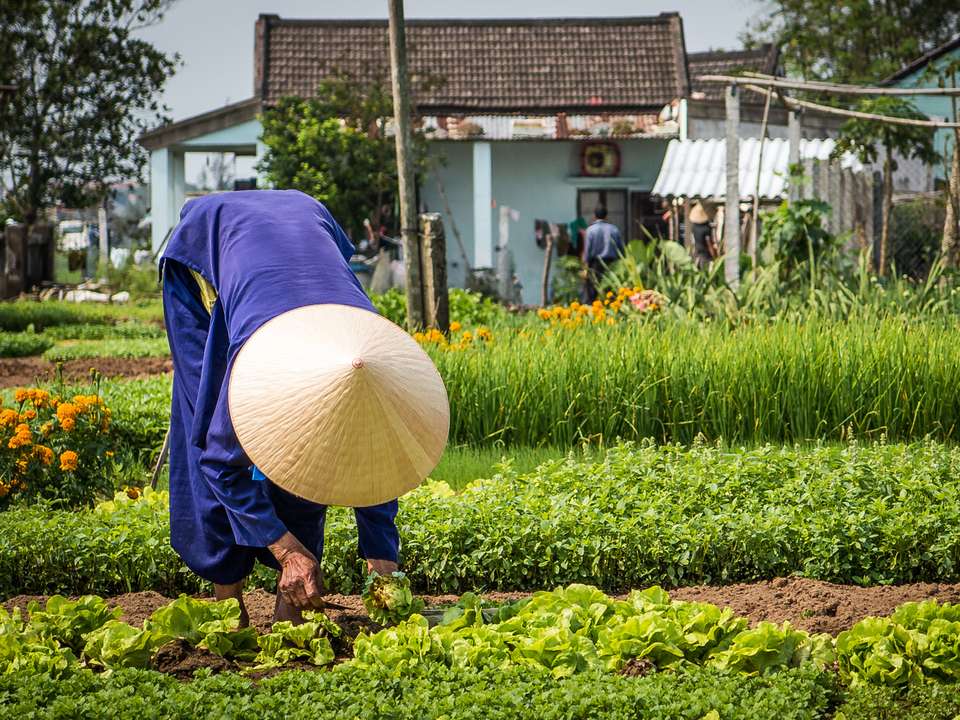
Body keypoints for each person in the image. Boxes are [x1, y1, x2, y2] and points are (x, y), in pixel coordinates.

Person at [161, 190, 403, 626]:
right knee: (207, 418)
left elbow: (374, 457)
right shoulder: (260, 356)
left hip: (305, 225)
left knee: (308, 457)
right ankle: (228, 614)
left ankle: (289, 621)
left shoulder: (368, 358)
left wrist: (380, 552)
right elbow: (220, 463)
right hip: (205, 254)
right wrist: (287, 550)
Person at [580, 205, 624, 303]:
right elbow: (621, 250)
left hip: (595, 263)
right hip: (612, 264)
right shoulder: (614, 229)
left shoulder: (590, 230)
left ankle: (593, 312)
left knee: (592, 291)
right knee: (610, 289)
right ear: (606, 216)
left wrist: (585, 266)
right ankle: (612, 311)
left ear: (594, 216)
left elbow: (587, 251)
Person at [689, 200, 717, 268]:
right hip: (706, 255)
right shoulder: (706, 228)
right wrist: (715, 256)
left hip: (697, 253)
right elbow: (709, 243)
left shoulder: (694, 227)